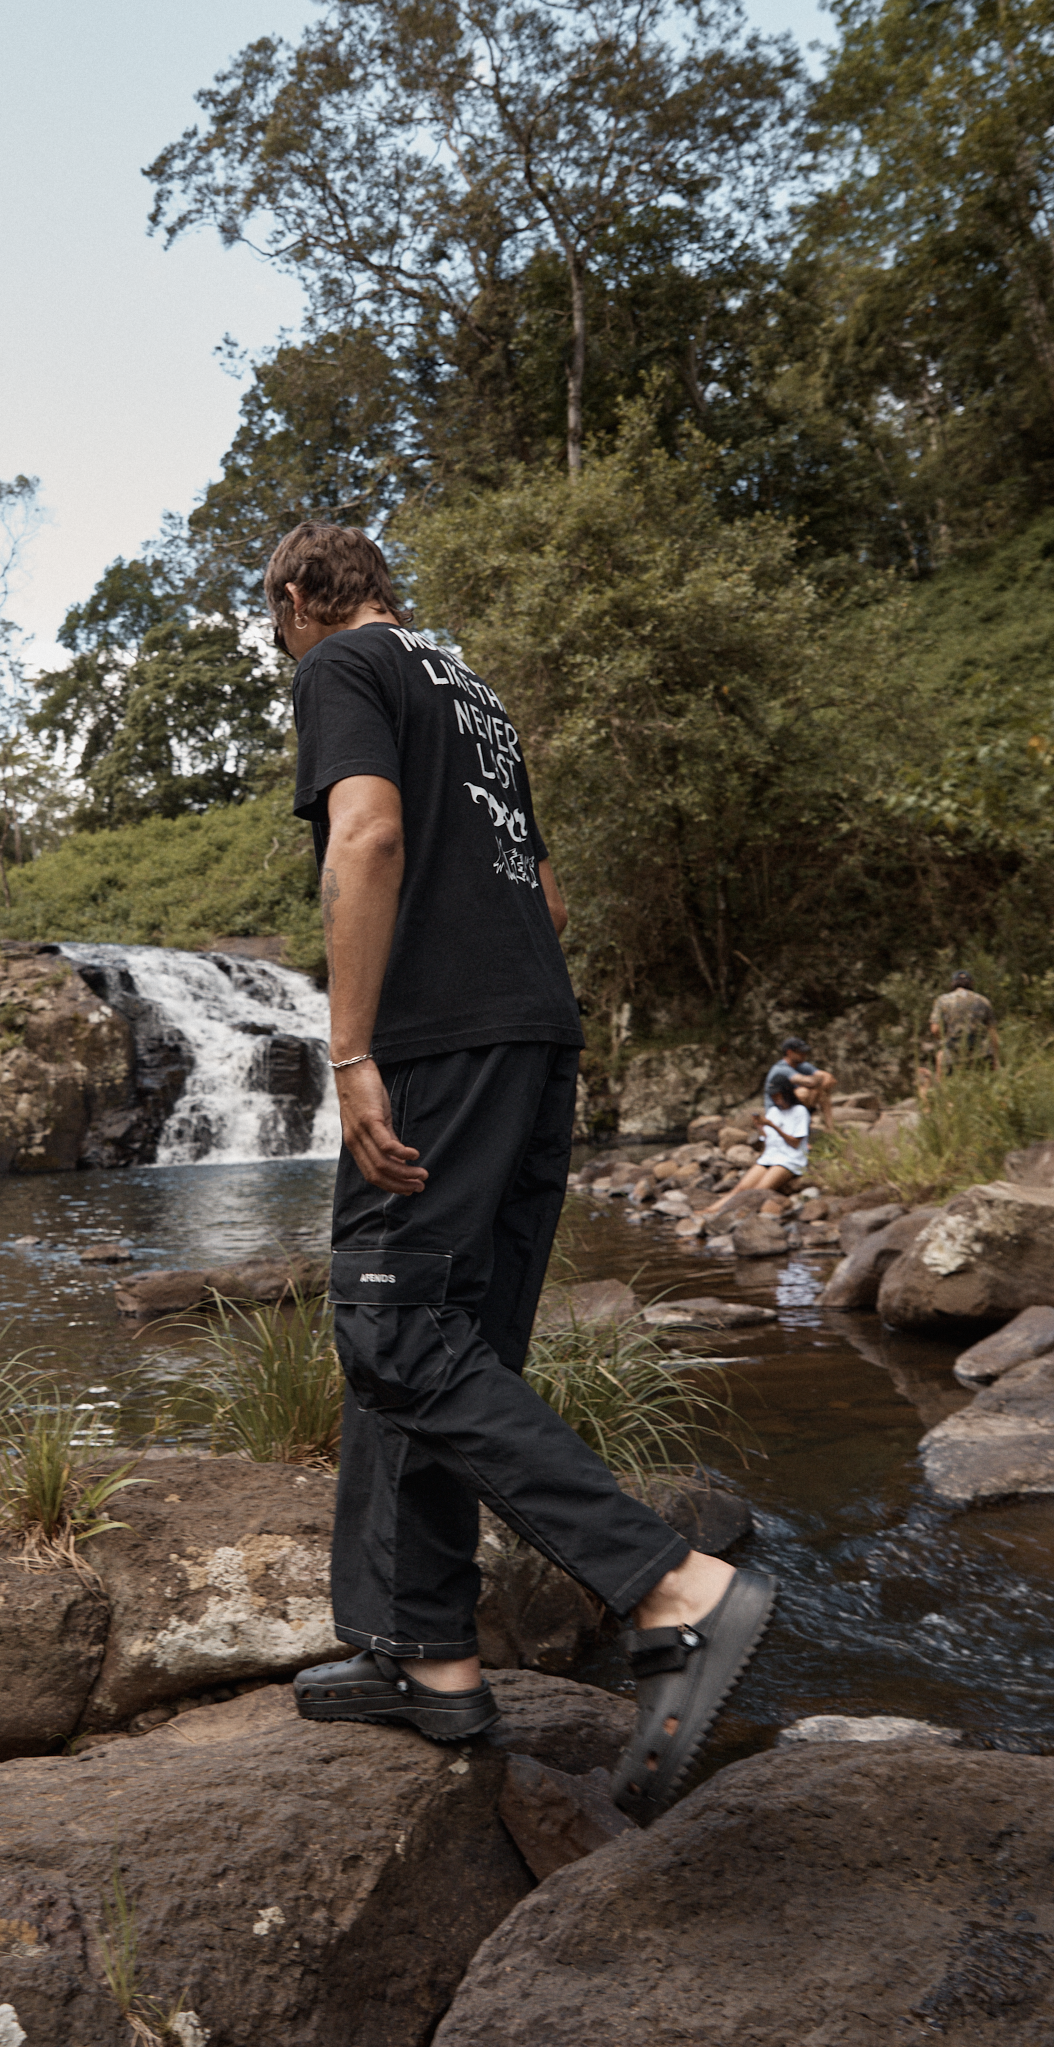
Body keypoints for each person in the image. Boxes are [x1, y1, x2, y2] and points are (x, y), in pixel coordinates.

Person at [270, 520, 775, 1826]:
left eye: (275, 620)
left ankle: (671, 1584)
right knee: (451, 1348)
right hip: (534, 1038)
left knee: (385, 1327)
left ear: (300, 594)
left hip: (436, 1047)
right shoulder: (471, 694)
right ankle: (431, 1659)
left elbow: (365, 840)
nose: (278, 644)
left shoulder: (342, 669)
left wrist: (350, 1050)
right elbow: (541, 900)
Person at [704, 1074, 809, 1217]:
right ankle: (710, 1210)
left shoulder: (800, 1112)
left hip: (790, 1159)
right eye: (774, 1097)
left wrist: (772, 1126)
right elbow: (767, 1139)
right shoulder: (773, 1112)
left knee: (759, 1190)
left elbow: (795, 1143)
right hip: (770, 1157)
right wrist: (760, 1127)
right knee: (740, 1188)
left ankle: (733, 1215)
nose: (776, 1100)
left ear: (787, 1093)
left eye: (778, 1096)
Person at [930, 970, 1000, 1080]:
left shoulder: (942, 1000)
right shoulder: (983, 1000)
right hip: (981, 1054)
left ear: (953, 983)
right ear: (971, 983)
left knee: (940, 1058)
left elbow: (935, 1030)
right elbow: (993, 1033)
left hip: (953, 1055)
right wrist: (995, 1057)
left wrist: (946, 1038)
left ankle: (941, 1093)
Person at [764, 1035, 837, 1128]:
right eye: (801, 1052)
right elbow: (810, 1082)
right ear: (789, 1052)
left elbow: (830, 1079)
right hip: (779, 1111)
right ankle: (802, 1125)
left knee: (822, 1089)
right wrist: (818, 1081)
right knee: (804, 1092)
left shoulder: (802, 1065)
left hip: (795, 1107)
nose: (804, 1054)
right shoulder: (781, 1068)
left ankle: (830, 1128)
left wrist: (819, 1083)